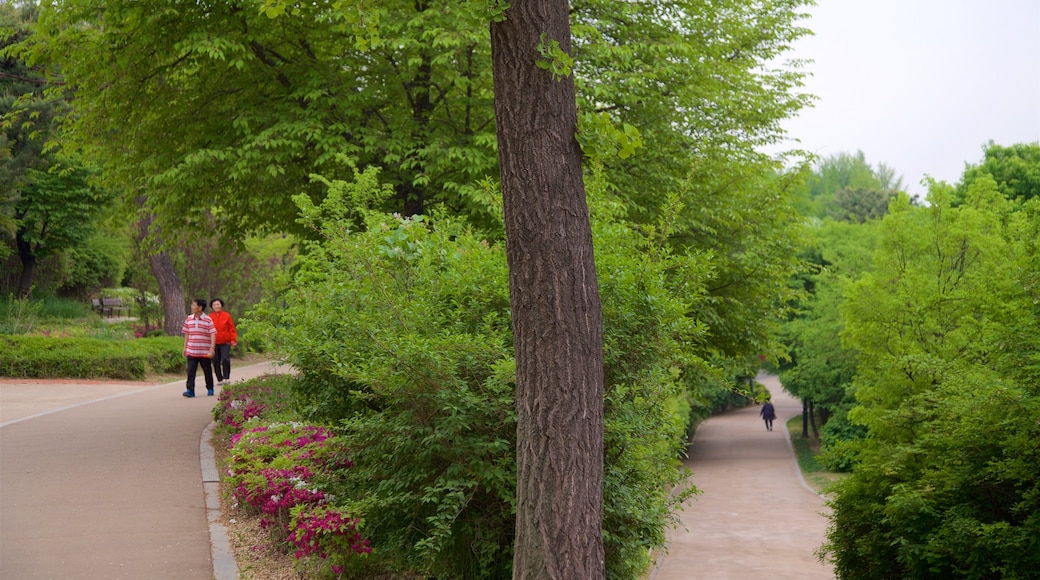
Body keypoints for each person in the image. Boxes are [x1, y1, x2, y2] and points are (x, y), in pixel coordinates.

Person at [182, 298, 216, 398]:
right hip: (192, 350)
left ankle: (210, 388)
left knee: (207, 371)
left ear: (200, 308)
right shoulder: (189, 319)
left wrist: (212, 348)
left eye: (194, 305)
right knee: (191, 371)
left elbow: (213, 334)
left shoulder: (208, 319)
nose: (192, 307)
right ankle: (190, 390)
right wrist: (185, 347)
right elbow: (187, 334)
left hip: (204, 351)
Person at [209, 297, 238, 386]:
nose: (216, 306)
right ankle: (220, 379)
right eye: (214, 305)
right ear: (212, 307)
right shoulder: (209, 317)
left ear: (221, 305)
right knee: (215, 361)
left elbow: (232, 328)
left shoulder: (227, 315)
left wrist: (233, 340)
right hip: (214, 343)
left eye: (218, 304)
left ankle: (226, 377)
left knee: (225, 359)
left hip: (225, 342)